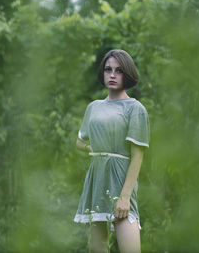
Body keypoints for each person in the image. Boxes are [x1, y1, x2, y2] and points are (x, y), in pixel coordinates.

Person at [74, 49, 150, 253]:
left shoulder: (135, 109)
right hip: (97, 182)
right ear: (103, 73)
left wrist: (124, 197)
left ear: (127, 75)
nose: (113, 74)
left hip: (121, 182)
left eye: (119, 71)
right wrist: (96, 148)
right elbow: (80, 142)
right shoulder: (94, 107)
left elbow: (137, 156)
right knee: (96, 249)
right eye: (108, 69)